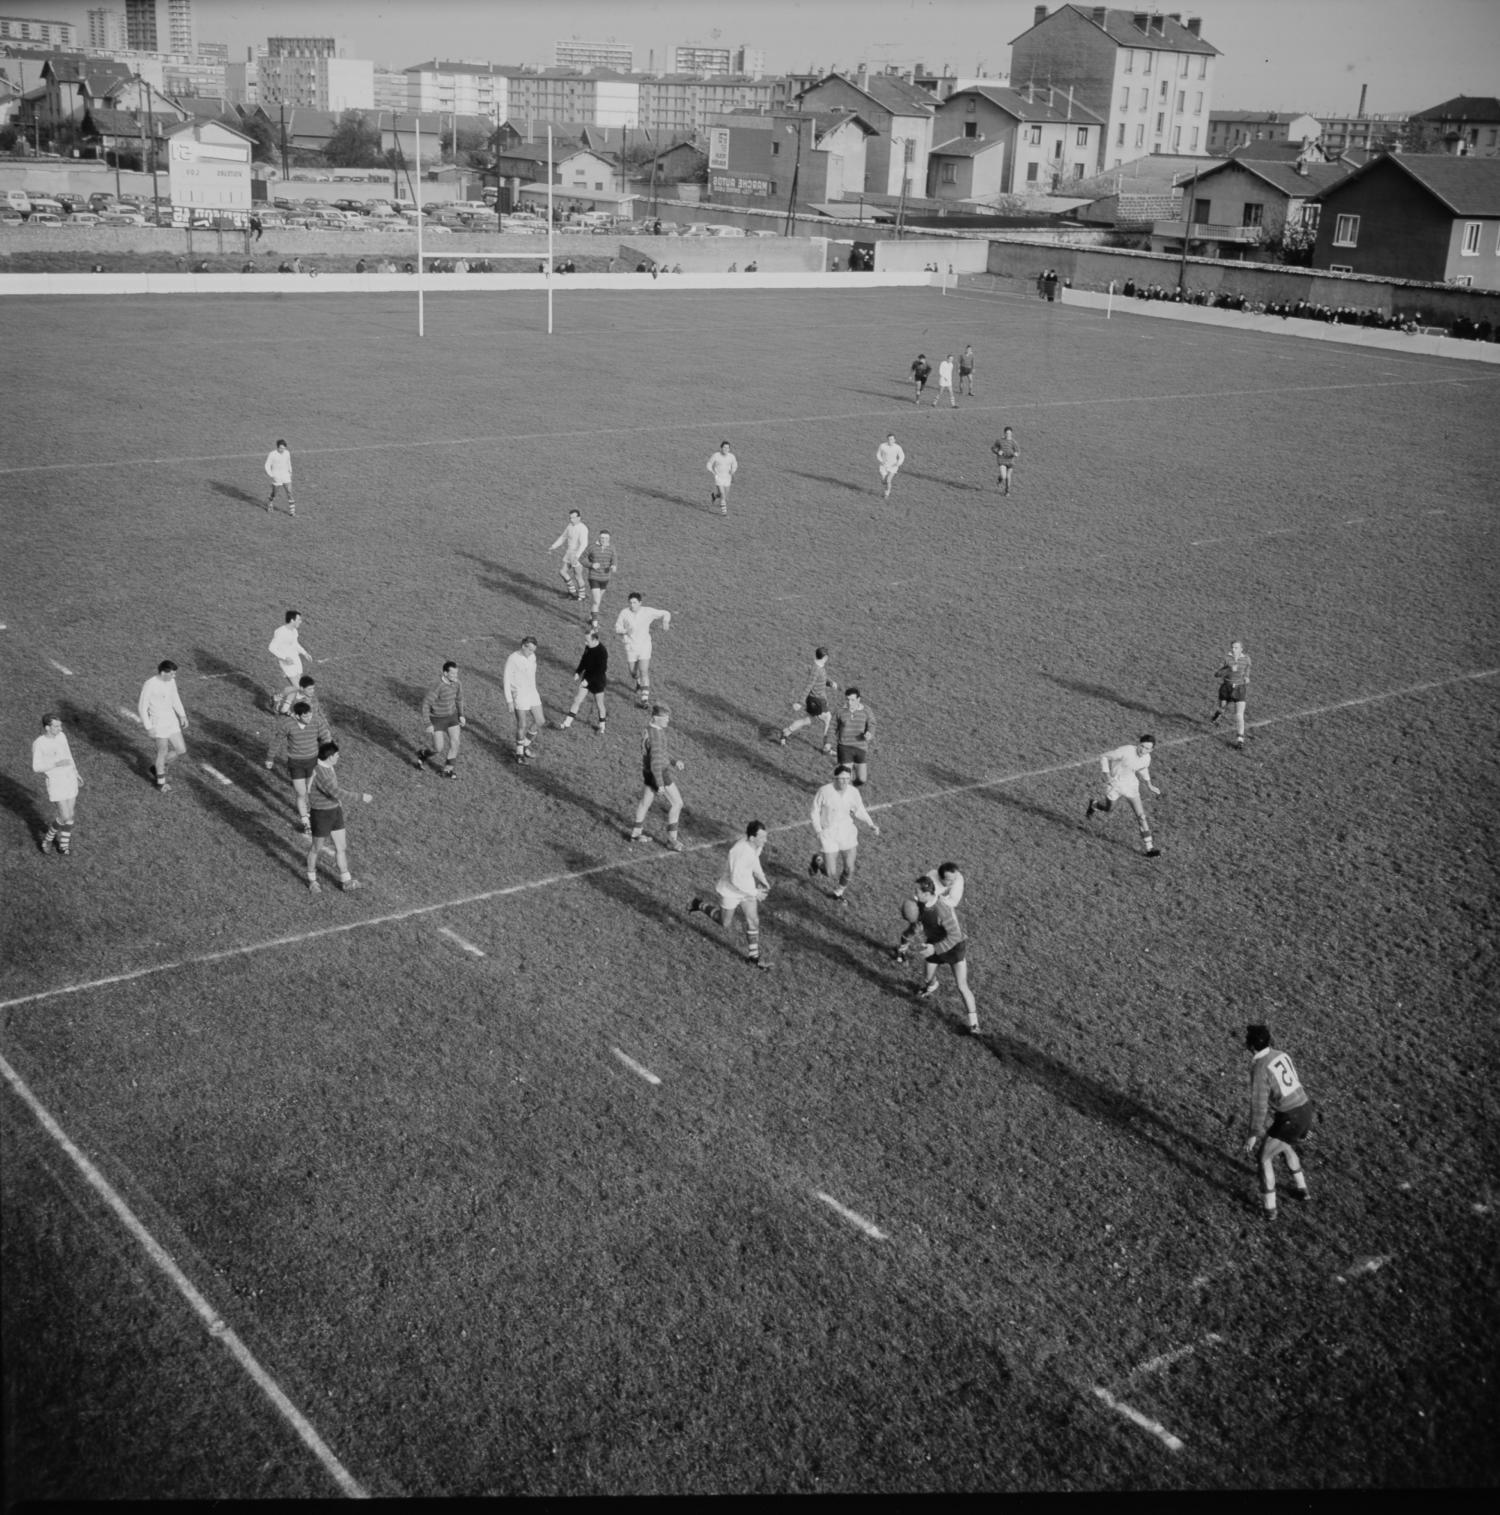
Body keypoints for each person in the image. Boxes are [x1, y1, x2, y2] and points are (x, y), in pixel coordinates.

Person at [1241, 1023, 1315, 1222]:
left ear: (1250, 1046)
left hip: (1290, 1118)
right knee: (1284, 1145)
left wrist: (1253, 1134)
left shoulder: (1259, 1069)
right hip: (1305, 1109)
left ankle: (1270, 1209)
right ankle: (1302, 1190)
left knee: (1264, 1158)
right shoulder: (1281, 1054)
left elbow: (1259, 1107)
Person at [689, 821, 772, 971]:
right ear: (752, 838)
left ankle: (753, 958)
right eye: (762, 837)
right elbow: (735, 880)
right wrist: (755, 893)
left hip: (747, 888)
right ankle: (699, 904)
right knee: (724, 923)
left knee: (753, 920)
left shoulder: (756, 845)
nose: (765, 840)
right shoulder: (738, 852)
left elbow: (755, 862)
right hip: (731, 890)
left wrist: (763, 879)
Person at [907, 873, 980, 1033]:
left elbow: (955, 935)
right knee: (927, 977)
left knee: (962, 986)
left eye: (917, 891)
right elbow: (920, 918)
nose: (914, 894)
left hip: (954, 948)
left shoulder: (942, 909)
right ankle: (932, 986)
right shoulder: (921, 903)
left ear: (927, 894)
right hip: (934, 944)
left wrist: (934, 949)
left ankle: (974, 1024)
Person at [808, 764, 880, 900]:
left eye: (847, 779)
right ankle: (817, 861)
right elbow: (814, 812)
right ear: (835, 778)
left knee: (849, 868)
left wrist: (871, 824)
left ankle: (839, 892)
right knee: (830, 873)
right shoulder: (824, 792)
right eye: (841, 779)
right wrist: (819, 831)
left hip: (847, 833)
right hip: (828, 834)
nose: (845, 782)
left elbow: (859, 810)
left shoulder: (853, 792)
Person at [1086, 735, 1162, 857]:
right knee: (1108, 809)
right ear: (1138, 744)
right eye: (1142, 746)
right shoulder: (1125, 751)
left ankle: (1149, 848)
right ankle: (1094, 804)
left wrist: (1150, 785)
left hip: (1131, 786)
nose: (1143, 750)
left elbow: (1143, 769)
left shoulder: (1147, 758)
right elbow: (1104, 756)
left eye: (1147, 748)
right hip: (1114, 785)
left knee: (1141, 816)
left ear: (1151, 750)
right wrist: (1107, 776)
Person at [264, 697, 331, 833]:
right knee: (301, 793)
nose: (308, 718)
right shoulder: (287, 725)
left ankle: (310, 813)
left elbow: (326, 737)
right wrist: (270, 758)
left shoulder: (316, 721)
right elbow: (277, 741)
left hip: (313, 762)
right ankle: (306, 822)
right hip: (296, 764)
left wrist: (326, 752)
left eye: (310, 714)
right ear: (296, 715)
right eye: (305, 716)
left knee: (310, 791)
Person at [305, 740, 360, 894]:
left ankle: (346, 881)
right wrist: (360, 797)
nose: (338, 757)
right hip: (321, 814)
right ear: (329, 757)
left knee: (341, 847)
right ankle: (312, 880)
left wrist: (339, 804)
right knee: (316, 848)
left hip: (335, 811)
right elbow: (335, 792)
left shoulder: (329, 767)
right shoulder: (321, 774)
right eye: (336, 755)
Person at [630, 704, 686, 850]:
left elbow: (660, 753)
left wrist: (674, 761)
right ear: (656, 718)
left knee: (645, 803)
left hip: (648, 772)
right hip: (658, 773)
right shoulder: (656, 736)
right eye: (665, 717)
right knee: (677, 803)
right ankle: (671, 840)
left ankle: (636, 834)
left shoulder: (650, 730)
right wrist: (660, 784)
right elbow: (656, 761)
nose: (668, 720)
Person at [31, 713, 81, 855]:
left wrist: (76, 773)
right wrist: (56, 763)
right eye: (57, 726)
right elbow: (36, 767)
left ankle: (63, 845)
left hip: (69, 778)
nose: (60, 728)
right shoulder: (39, 743)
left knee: (70, 815)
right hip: (56, 782)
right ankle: (48, 839)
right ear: (47, 727)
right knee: (65, 816)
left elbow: (69, 755)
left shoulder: (62, 736)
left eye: (60, 725)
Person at [895, 862, 965, 961]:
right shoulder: (931, 878)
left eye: (954, 878)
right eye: (949, 880)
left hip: (941, 911)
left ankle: (941, 952)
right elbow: (919, 894)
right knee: (913, 930)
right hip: (924, 908)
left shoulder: (958, 879)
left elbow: (953, 902)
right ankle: (902, 949)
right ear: (940, 878)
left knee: (946, 934)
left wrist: (939, 903)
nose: (953, 882)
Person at [138, 659, 188, 792]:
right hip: (159, 723)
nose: (174, 676)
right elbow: (142, 707)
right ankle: (160, 783)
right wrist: (149, 727)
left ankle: (157, 768)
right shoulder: (150, 684)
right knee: (163, 752)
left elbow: (175, 697)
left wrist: (182, 715)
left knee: (181, 749)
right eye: (172, 674)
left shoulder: (171, 681)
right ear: (162, 673)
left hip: (171, 720)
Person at [614, 592, 671, 706]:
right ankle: (638, 682)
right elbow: (617, 628)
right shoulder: (624, 613)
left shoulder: (648, 612)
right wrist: (625, 631)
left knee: (644, 671)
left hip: (644, 646)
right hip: (630, 646)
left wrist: (665, 622)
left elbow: (666, 613)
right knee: (633, 673)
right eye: (630, 602)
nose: (632, 605)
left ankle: (644, 699)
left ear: (640, 603)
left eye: (635, 602)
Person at [779, 647, 838, 749]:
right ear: (825, 657)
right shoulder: (816, 669)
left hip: (817, 699)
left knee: (807, 720)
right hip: (816, 700)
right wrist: (800, 702)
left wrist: (830, 683)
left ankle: (786, 732)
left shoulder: (819, 667)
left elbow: (821, 679)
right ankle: (826, 747)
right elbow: (809, 685)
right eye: (827, 656)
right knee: (828, 718)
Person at [416, 659, 465, 777]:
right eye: (452, 674)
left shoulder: (457, 683)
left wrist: (461, 715)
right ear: (445, 673)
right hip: (437, 719)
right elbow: (426, 704)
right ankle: (423, 754)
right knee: (438, 748)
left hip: (452, 717)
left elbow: (459, 699)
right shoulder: (437, 687)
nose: (455, 676)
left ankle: (447, 770)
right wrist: (428, 724)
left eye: (456, 673)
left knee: (455, 742)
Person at [503, 636, 544, 764]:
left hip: (532, 693)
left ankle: (525, 744)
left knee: (540, 721)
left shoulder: (532, 657)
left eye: (534, 650)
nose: (532, 652)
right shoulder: (513, 659)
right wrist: (509, 700)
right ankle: (519, 753)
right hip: (519, 694)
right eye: (530, 649)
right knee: (522, 724)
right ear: (523, 646)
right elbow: (506, 679)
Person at [560, 628, 608, 733]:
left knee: (599, 704)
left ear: (595, 639)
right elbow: (584, 660)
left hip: (597, 680)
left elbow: (601, 670)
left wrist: (588, 680)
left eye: (587, 640)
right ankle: (567, 723)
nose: (585, 642)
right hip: (586, 678)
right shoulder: (588, 647)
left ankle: (602, 726)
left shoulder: (602, 652)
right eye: (585, 640)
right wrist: (578, 672)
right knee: (577, 699)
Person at [1212, 640, 1251, 748]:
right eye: (1232, 647)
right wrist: (1229, 669)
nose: (1233, 650)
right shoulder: (1226, 658)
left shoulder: (1246, 659)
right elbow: (1217, 674)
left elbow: (1248, 668)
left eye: (1236, 648)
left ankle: (1240, 740)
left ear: (1241, 649)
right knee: (1222, 708)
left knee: (1239, 715)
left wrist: (1247, 677)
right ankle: (1216, 716)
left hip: (1240, 689)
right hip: (1226, 688)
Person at [834, 687, 875, 789]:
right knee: (846, 776)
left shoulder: (866, 710)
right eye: (847, 699)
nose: (849, 702)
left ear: (858, 699)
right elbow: (832, 727)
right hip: (844, 746)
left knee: (862, 779)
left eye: (852, 700)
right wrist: (828, 742)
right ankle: (843, 794)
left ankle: (850, 789)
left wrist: (869, 733)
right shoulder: (841, 712)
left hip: (860, 747)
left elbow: (872, 724)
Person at [548, 508, 589, 602]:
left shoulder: (583, 528)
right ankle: (573, 592)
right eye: (570, 518)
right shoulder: (570, 526)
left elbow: (584, 544)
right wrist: (553, 546)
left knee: (577, 575)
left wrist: (577, 556)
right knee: (562, 572)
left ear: (579, 518)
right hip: (570, 553)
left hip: (577, 555)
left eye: (573, 518)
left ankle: (582, 596)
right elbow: (563, 537)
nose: (571, 520)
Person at [583, 529, 618, 626]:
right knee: (596, 600)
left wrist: (614, 566)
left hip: (605, 578)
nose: (604, 540)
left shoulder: (611, 548)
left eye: (606, 538)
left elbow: (614, 558)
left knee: (597, 601)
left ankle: (591, 617)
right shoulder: (592, 547)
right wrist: (591, 565)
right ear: (599, 537)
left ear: (609, 539)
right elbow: (582, 558)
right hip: (594, 577)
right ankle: (594, 624)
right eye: (602, 538)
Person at [268, 609, 312, 686]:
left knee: (297, 688)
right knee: (299, 688)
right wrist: (285, 658)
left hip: (296, 661)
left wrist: (305, 653)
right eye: (299, 619)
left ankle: (278, 698)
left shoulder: (294, 631)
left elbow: (295, 644)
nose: (300, 622)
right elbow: (271, 647)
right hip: (287, 664)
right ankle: (278, 697)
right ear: (292, 620)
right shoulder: (280, 632)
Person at [264, 438, 295, 515]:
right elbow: (267, 465)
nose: (282, 449)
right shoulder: (272, 454)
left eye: (284, 448)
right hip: (277, 477)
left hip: (286, 476)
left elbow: (288, 462)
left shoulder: (287, 453)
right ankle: (270, 502)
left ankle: (292, 511)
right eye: (281, 448)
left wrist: (290, 471)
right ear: (277, 447)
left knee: (289, 492)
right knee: (274, 493)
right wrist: (271, 475)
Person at [707, 440, 738, 516]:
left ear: (729, 449)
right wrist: (712, 472)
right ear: (721, 448)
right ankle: (724, 513)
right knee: (723, 494)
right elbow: (709, 463)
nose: (726, 449)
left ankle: (714, 495)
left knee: (724, 496)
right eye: (724, 447)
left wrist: (732, 471)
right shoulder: (716, 455)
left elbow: (734, 465)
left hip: (727, 478)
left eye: (727, 448)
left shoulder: (731, 457)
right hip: (718, 477)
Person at [991, 426, 1019, 496]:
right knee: (1004, 476)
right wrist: (997, 452)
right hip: (1002, 460)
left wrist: (1016, 454)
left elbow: (1017, 451)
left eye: (1009, 433)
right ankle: (1000, 479)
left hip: (1010, 461)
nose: (1008, 435)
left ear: (1011, 434)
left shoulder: (1013, 442)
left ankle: (1007, 491)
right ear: (1004, 433)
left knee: (1008, 476)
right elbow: (993, 448)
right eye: (1007, 433)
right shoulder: (999, 441)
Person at [876, 433, 905, 499]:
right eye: (889, 439)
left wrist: (898, 463)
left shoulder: (898, 447)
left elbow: (902, 456)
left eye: (891, 439)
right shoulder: (882, 446)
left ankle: (886, 494)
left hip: (893, 466)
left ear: (894, 440)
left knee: (888, 480)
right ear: (887, 439)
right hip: (884, 466)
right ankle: (884, 482)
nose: (890, 440)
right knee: (884, 481)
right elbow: (878, 454)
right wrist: (881, 461)